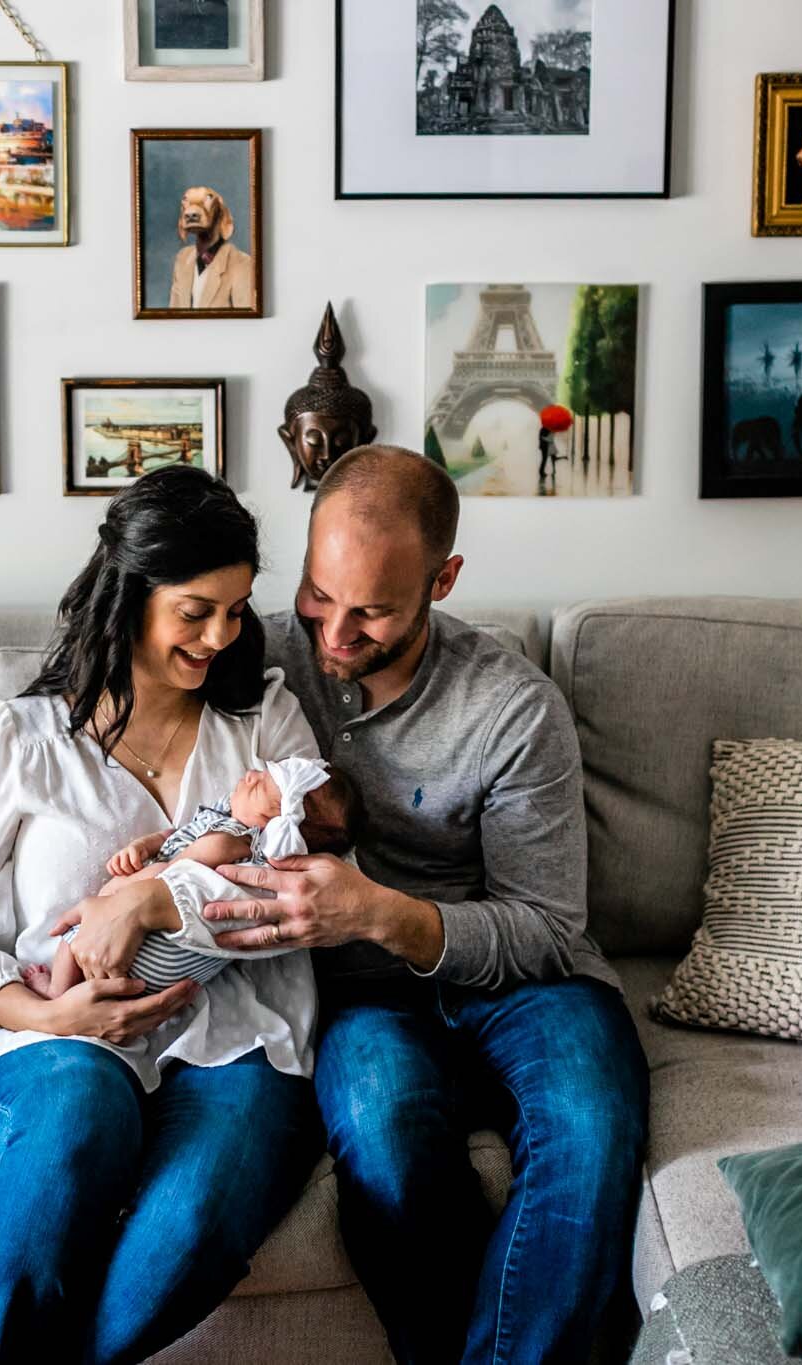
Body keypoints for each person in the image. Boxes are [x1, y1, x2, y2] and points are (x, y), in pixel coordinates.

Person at [203, 445, 652, 1364]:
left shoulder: (513, 707)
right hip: (367, 1000)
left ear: (443, 579)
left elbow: (546, 926)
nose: (333, 633)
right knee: (386, 1138)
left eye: (371, 610)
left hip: (532, 982)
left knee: (593, 1133)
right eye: (320, 595)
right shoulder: (256, 670)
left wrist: (376, 913)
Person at [0, 466, 326, 1365]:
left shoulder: (266, 726)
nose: (222, 634)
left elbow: (296, 895)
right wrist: (50, 1014)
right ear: (131, 594)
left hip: (236, 1037)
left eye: (238, 608)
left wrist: (152, 894)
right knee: (82, 1105)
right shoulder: (22, 738)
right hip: (45, 1040)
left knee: (198, 1217)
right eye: (196, 609)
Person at [28, 760, 361, 1000]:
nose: (250, 775)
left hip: (150, 956)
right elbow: (175, 837)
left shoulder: (228, 842)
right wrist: (145, 845)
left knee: (73, 937)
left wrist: (119, 892)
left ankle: (56, 992)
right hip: (163, 977)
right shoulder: (222, 821)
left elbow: (170, 873)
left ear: (274, 820)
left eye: (260, 783)